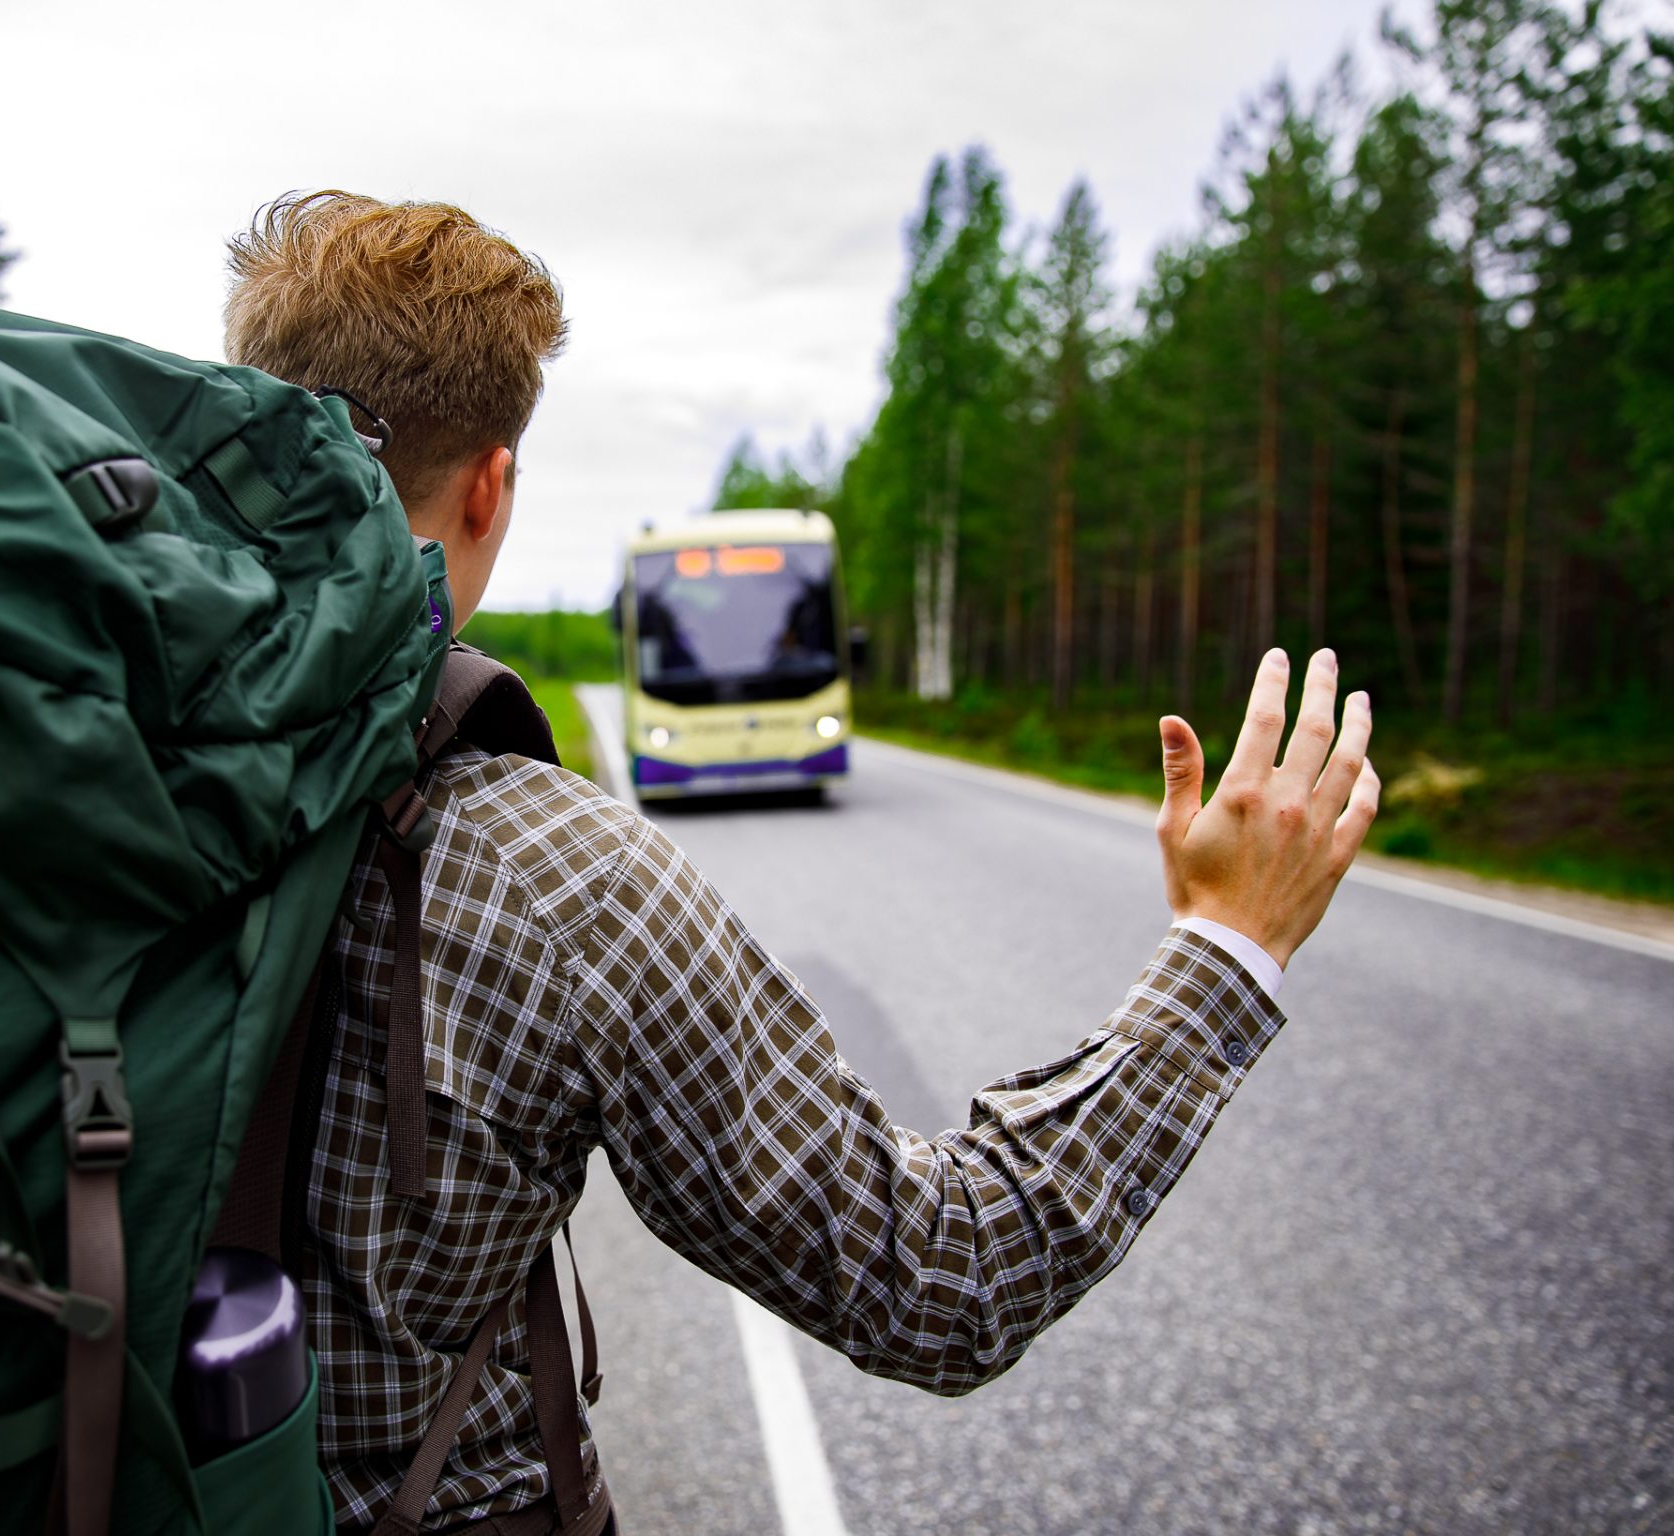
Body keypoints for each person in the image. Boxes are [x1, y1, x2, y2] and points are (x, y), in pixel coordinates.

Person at [222, 190, 1382, 1533]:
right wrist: (1227, 948)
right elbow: (937, 1281)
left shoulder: (27, 758)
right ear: (492, 483)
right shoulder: (558, 879)